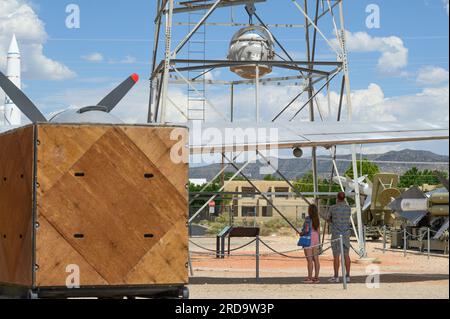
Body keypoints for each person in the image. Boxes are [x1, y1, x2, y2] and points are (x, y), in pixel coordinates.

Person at [326, 192, 352, 283]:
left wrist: (331, 223)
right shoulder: (348, 208)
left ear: (337, 198)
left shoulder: (333, 208)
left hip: (336, 234)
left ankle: (336, 276)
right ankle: (347, 276)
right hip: (345, 234)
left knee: (336, 256)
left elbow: (328, 218)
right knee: (346, 255)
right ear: (344, 198)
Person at [301, 204, 321, 284]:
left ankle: (310, 277)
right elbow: (319, 231)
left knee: (309, 259)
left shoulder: (307, 219)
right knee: (316, 259)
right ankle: (316, 277)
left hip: (308, 238)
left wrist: (301, 233)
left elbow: (306, 230)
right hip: (316, 238)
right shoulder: (317, 219)